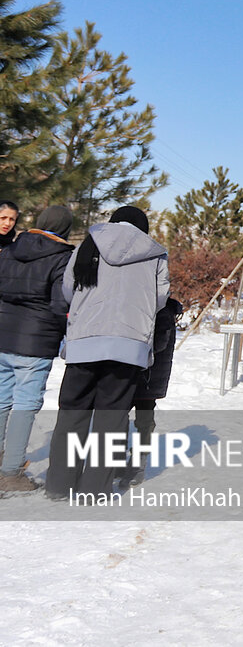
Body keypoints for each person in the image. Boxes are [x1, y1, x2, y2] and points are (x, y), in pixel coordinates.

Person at [46, 206, 169, 500]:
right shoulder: (154, 254)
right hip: (128, 345)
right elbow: (160, 298)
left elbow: (68, 288)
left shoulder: (88, 243)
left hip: (84, 341)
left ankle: (60, 486)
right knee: (111, 418)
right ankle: (95, 490)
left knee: (71, 414)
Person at [0, 206, 74, 492]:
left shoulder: (9, 250)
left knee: (2, 399)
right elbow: (59, 305)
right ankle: (10, 471)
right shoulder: (62, 258)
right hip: (36, 342)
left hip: (3, 336)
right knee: (26, 404)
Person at [118, 296, 184, 488]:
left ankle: (138, 463)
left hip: (148, 376)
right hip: (132, 371)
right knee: (118, 415)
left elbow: (158, 344)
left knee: (144, 420)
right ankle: (118, 460)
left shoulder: (162, 310)